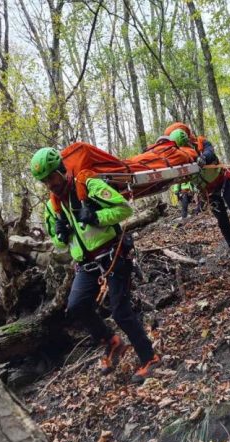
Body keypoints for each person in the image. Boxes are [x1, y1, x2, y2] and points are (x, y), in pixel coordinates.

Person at [30, 147, 161, 383]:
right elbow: (58, 242)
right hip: (86, 265)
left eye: (51, 177)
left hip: (114, 254)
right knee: (77, 306)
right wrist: (61, 235)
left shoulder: (89, 185)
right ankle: (112, 343)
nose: (49, 184)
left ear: (61, 169)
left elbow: (124, 208)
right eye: (44, 181)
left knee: (121, 312)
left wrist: (96, 217)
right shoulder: (52, 207)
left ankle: (149, 358)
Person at [164, 122, 230, 262]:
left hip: (223, 181)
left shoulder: (201, 142)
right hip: (208, 191)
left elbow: (210, 152)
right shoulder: (178, 156)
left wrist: (203, 158)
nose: (186, 145)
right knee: (222, 220)